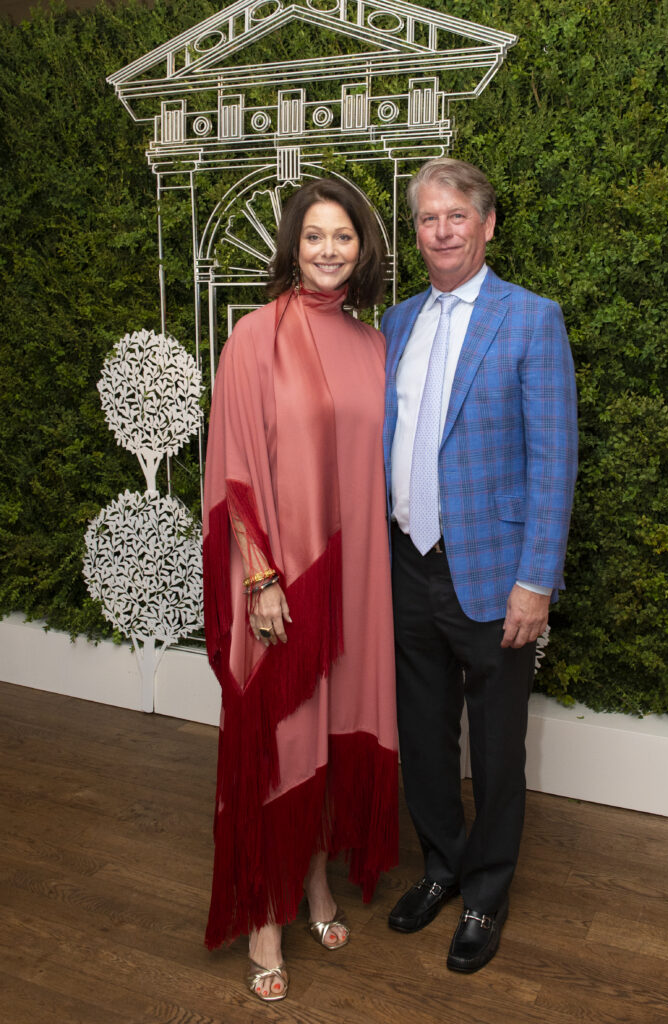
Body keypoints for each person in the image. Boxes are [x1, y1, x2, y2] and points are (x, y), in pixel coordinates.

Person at [202, 178, 399, 1002]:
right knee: (284, 736)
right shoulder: (254, 337)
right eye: (313, 236)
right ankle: (264, 917)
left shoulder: (374, 343)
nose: (328, 250)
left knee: (334, 726)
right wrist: (258, 577)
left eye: (343, 236)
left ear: (363, 247)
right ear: (292, 245)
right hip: (281, 579)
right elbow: (233, 463)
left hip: (358, 580)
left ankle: (314, 883)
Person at [383, 158, 578, 973]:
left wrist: (534, 580)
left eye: (456, 216)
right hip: (404, 561)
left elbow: (554, 459)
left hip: (495, 573)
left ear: (487, 225)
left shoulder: (530, 319)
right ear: (415, 232)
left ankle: (487, 893)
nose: (441, 231)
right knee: (422, 738)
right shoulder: (394, 323)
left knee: (497, 748)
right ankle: (440, 867)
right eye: (427, 219)